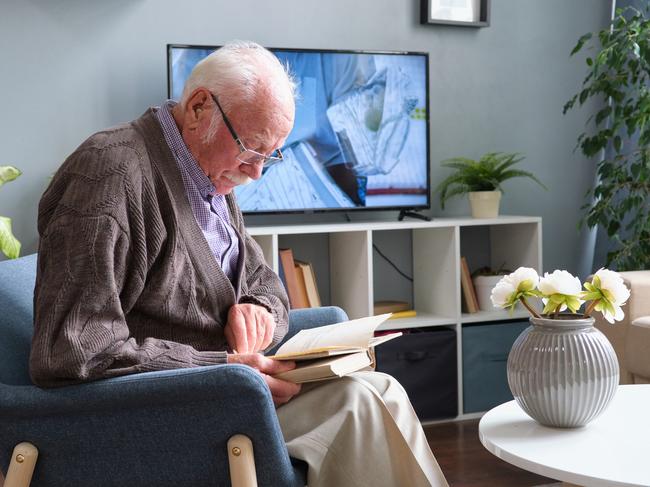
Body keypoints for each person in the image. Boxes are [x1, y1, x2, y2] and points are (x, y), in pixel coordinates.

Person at [30, 40, 448, 487]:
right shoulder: (110, 176)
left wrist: (260, 308)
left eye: (271, 154)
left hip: (225, 392)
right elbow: (72, 350)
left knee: (382, 390)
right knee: (360, 405)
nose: (257, 173)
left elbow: (262, 278)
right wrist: (221, 366)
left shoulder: (208, 176)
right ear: (198, 107)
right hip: (164, 411)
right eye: (251, 148)